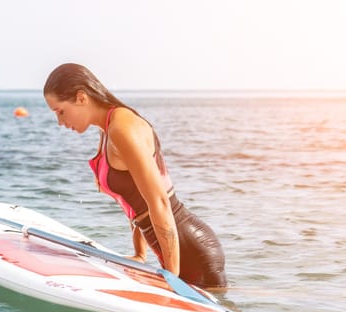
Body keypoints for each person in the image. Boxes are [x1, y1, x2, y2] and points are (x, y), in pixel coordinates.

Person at [43, 63, 227, 290]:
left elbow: (158, 201)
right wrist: (140, 255)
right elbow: (134, 198)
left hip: (191, 253)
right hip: (175, 253)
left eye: (60, 111)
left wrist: (172, 276)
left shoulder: (122, 128)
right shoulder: (109, 129)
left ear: (81, 98)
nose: (60, 122)